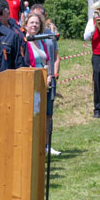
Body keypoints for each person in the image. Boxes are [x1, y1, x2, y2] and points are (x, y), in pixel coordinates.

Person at [24, 12, 60, 154]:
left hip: (45, 81)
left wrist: (50, 75)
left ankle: (45, 145)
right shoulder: (23, 41)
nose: (34, 25)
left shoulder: (42, 41)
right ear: (26, 25)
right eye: (31, 22)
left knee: (46, 115)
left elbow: (48, 60)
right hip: (31, 81)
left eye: (37, 23)